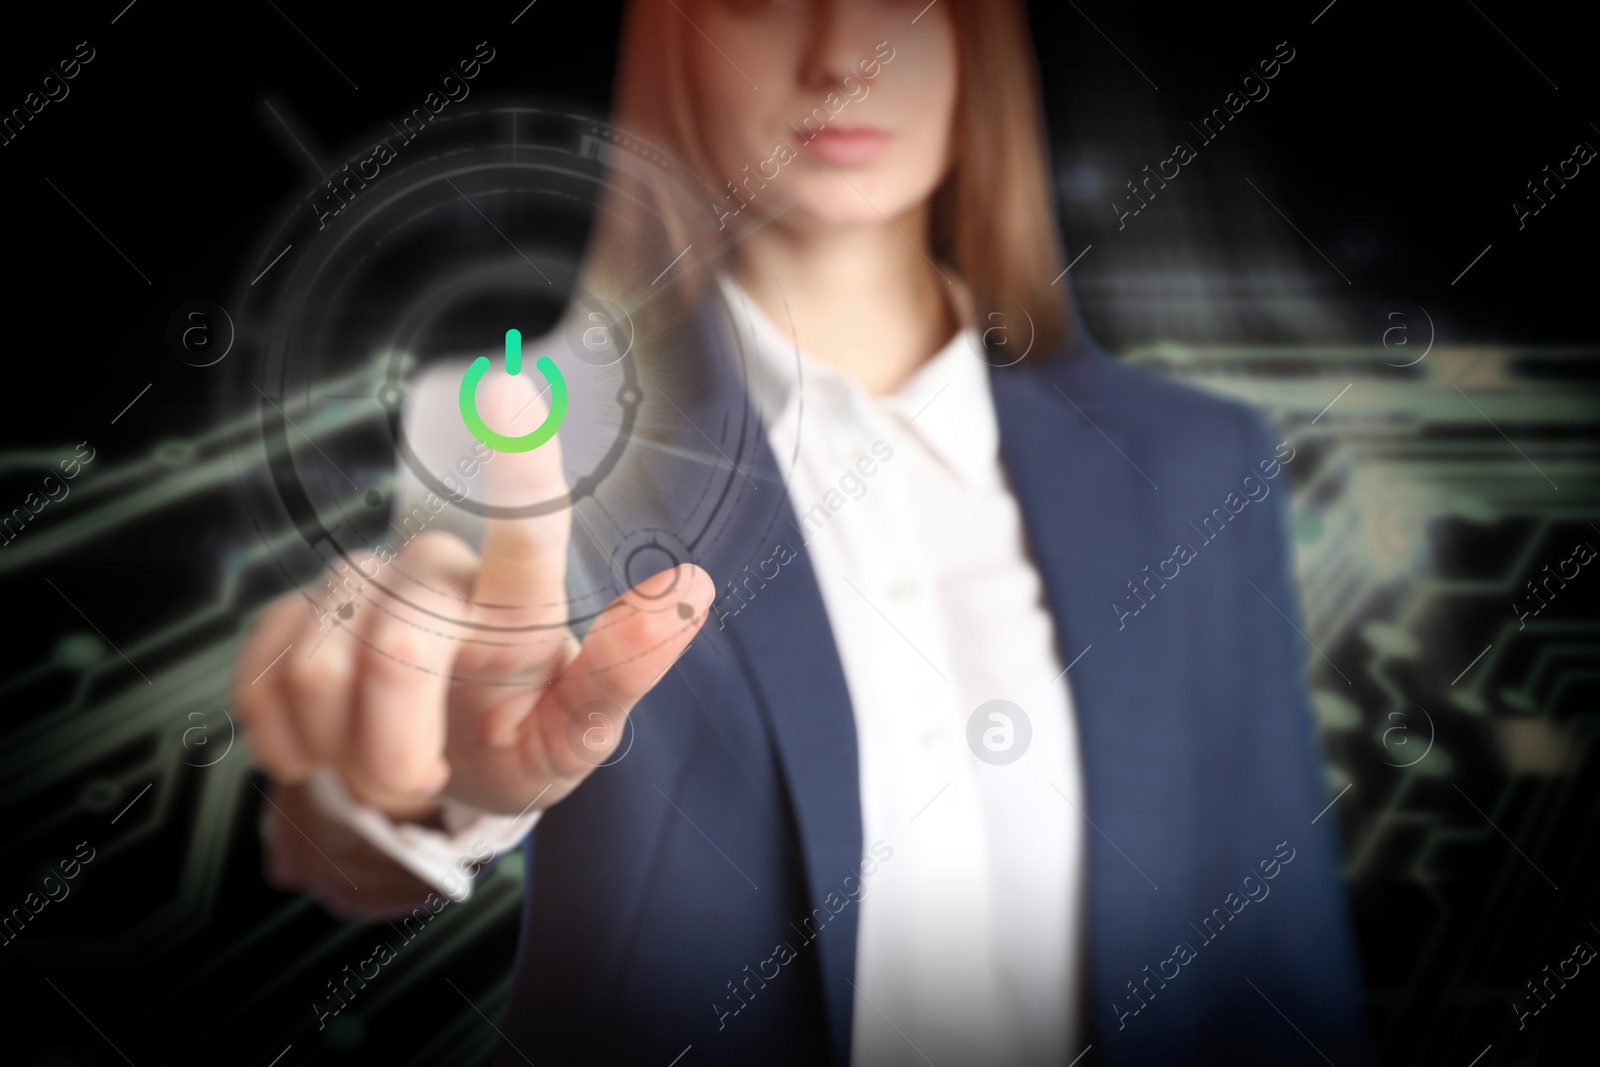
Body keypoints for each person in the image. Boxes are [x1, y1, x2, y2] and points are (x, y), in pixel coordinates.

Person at [232, 1, 1369, 1063]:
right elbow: (360, 814)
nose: (842, 55)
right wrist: (403, 791)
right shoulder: (536, 430)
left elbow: (1276, 946)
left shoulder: (1192, 463)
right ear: (666, 40)